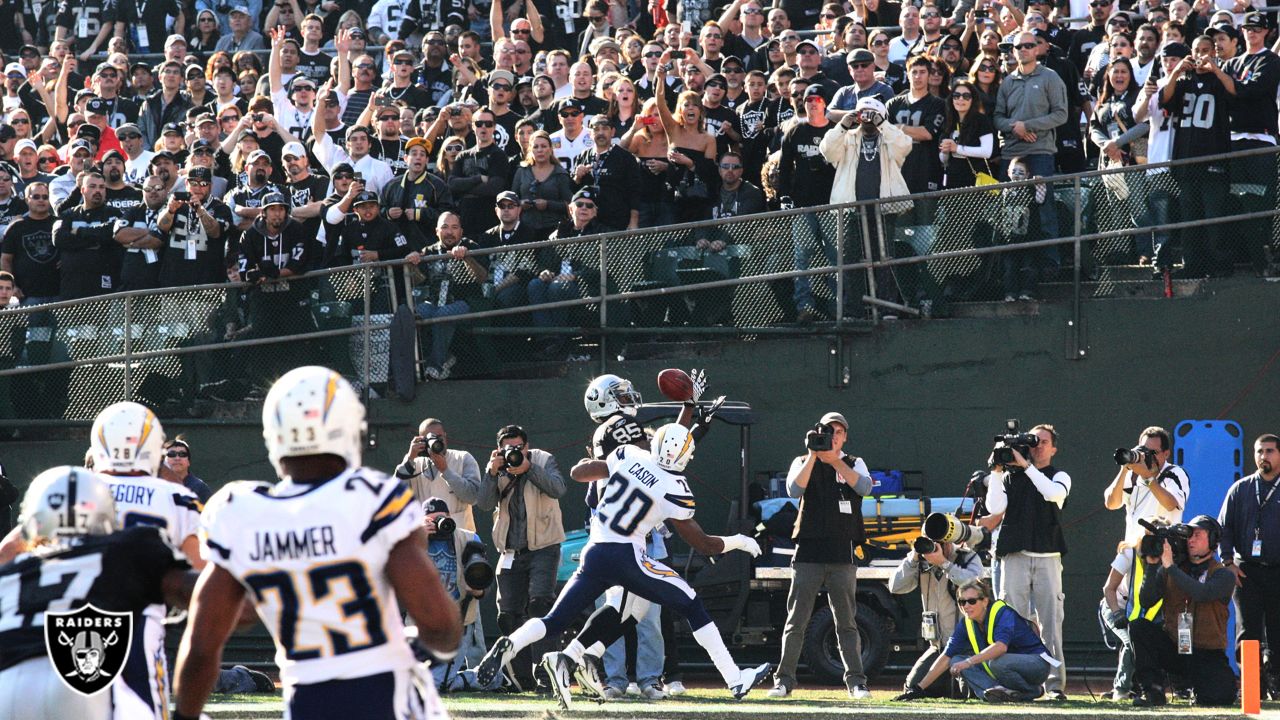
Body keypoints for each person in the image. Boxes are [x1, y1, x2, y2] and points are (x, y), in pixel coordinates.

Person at [173, 366, 463, 720]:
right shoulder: (374, 499)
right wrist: (413, 645)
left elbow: (203, 646)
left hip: (308, 703)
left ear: (274, 436)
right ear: (349, 430)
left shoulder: (241, 512)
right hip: (386, 698)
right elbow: (440, 627)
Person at [475, 423, 770, 706]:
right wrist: (739, 541)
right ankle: (735, 678)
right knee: (691, 603)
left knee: (559, 619)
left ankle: (513, 646)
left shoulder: (628, 453)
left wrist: (592, 458)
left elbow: (585, 472)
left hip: (595, 550)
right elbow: (704, 544)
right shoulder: (675, 486)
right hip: (628, 556)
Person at [0, 466, 195, 720]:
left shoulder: (13, 571)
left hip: (6, 682)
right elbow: (196, 590)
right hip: (79, 685)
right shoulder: (128, 545)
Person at [87, 401, 207, 720]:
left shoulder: (76, 490)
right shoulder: (177, 497)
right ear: (155, 444)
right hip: (139, 621)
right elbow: (201, 576)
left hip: (72, 623)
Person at [768, 412, 873, 699]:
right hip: (809, 552)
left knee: (846, 622)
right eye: (828, 431)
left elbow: (864, 487)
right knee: (796, 620)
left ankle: (856, 683)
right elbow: (794, 489)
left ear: (846, 436)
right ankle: (784, 681)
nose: (834, 436)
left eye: (838, 431)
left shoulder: (854, 462)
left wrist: (834, 459)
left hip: (842, 552)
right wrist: (814, 454)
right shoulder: (802, 461)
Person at [474, 424, 567, 688]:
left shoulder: (543, 459)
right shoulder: (498, 465)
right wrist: (491, 473)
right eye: (508, 448)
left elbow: (558, 489)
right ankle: (522, 679)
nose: (514, 452)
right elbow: (483, 503)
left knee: (540, 606)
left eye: (518, 447)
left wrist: (529, 468)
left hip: (544, 547)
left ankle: (547, 674)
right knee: (509, 615)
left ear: (526, 446)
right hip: (510, 549)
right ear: (499, 449)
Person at [983, 423, 1070, 699]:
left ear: (1053, 448)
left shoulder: (1060, 475)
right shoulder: (1012, 476)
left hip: (1047, 556)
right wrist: (997, 471)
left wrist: (1027, 467)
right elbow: (994, 508)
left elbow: (1053, 494)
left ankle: (1054, 685)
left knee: (1050, 623)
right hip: (1015, 556)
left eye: (1043, 442)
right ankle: (1019, 682)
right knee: (1012, 624)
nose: (1037, 446)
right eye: (1034, 442)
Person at [1129, 515, 1236, 706]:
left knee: (1220, 697)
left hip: (1207, 653)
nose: (1191, 540)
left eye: (1198, 535)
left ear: (1212, 540)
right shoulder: (1172, 570)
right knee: (1139, 627)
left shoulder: (1223, 574)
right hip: (1175, 648)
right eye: (1189, 536)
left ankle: (1197, 687)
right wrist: (1153, 565)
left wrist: (1170, 567)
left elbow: (1202, 593)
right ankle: (1153, 692)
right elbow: (1146, 601)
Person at [896, 579, 1055, 703]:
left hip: (1037, 664)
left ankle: (1031, 691)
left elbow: (1000, 648)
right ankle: (995, 693)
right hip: (1004, 668)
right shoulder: (966, 622)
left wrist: (969, 662)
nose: (966, 606)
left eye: (972, 601)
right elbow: (946, 656)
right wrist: (918, 688)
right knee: (956, 660)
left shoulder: (1002, 612)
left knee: (994, 663)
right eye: (962, 602)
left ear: (985, 601)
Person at [993, 31, 1066, 261]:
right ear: (1013, 51)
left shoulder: (1050, 77)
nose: (1023, 49)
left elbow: (1061, 114)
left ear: (1037, 49)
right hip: (1011, 154)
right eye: (1018, 46)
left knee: (1043, 207)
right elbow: (997, 118)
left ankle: (1049, 263)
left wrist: (1029, 126)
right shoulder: (1007, 81)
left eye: (1028, 45)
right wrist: (1016, 127)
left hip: (1040, 152)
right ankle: (1011, 266)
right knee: (1009, 210)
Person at [1218, 433, 1280, 693]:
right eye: (1259, 451)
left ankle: (1275, 679)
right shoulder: (1241, 488)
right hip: (1246, 572)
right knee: (1247, 630)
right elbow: (1224, 527)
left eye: (1269, 451)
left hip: (1277, 570)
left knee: (1277, 631)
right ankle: (1252, 685)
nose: (1263, 456)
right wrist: (1228, 561)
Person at [889, 530, 984, 697]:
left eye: (938, 543)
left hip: (968, 647)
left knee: (968, 693)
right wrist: (913, 557)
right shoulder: (920, 561)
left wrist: (944, 563)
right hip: (938, 647)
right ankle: (944, 685)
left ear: (948, 542)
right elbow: (896, 587)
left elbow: (974, 585)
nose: (933, 548)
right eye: (930, 542)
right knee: (912, 687)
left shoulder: (965, 557)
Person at [420, 496, 493, 690]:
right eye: (431, 520)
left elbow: (483, 579)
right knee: (420, 679)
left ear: (450, 516)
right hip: (422, 624)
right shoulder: (410, 541)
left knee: (437, 683)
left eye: (441, 518)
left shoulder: (469, 538)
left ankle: (492, 678)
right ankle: (489, 676)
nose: (438, 524)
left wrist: (479, 590)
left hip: (457, 622)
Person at [409, 212, 490, 379]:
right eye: (445, 227)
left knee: (443, 314)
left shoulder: (472, 246)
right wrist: (413, 265)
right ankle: (412, 369)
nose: (449, 232)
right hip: (434, 302)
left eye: (454, 227)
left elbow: (482, 278)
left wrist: (467, 258)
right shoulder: (429, 251)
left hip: (467, 303)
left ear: (461, 231)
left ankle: (436, 366)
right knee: (410, 315)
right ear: (437, 231)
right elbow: (418, 281)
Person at [394, 416, 484, 532]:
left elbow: (473, 497)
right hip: (425, 537)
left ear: (445, 436)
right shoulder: (413, 465)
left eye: (439, 437)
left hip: (459, 538)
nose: (436, 442)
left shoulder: (462, 458)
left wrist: (446, 471)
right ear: (421, 440)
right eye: (430, 439)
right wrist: (410, 458)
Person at [160, 437, 213, 503]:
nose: (177, 458)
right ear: (163, 460)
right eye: (171, 454)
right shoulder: (155, 486)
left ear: (188, 462)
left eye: (182, 454)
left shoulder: (201, 488)